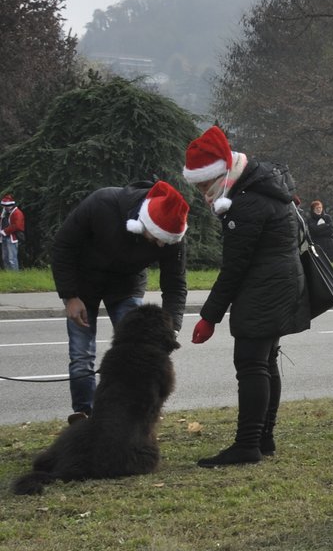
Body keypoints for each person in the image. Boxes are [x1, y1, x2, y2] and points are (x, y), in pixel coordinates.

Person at [181, 125, 311, 466]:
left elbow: (234, 268)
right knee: (266, 362)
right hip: (281, 283)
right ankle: (263, 438)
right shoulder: (261, 184)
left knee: (251, 364)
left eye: (203, 185)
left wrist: (209, 316)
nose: (201, 193)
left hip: (265, 288)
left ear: (220, 174)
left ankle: (248, 444)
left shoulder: (246, 202)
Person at [50, 180, 191, 421]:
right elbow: (62, 247)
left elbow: (175, 284)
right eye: (157, 238)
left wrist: (172, 327)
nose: (160, 245)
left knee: (141, 351)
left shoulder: (171, 238)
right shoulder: (102, 203)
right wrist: (70, 296)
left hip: (126, 286)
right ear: (143, 222)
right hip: (83, 284)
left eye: (166, 241)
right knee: (81, 355)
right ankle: (84, 415)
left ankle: (135, 413)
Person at [1, 193, 24, 270]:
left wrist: (4, 231)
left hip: (12, 238)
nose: (5, 208)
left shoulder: (17, 213)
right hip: (4, 237)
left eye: (6, 206)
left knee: (12, 259)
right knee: (5, 258)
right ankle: (8, 275)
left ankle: (15, 276)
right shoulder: (4, 213)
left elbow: (17, 226)